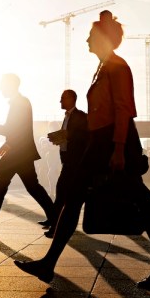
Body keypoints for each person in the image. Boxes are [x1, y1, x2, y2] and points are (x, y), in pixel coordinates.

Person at [15, 10, 150, 288]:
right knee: (76, 197)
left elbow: (123, 110)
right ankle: (49, 264)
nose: (87, 40)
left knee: (139, 201)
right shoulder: (103, 67)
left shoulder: (117, 66)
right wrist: (72, 134)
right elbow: (97, 116)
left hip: (114, 142)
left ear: (102, 37)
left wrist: (117, 149)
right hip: (101, 142)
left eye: (91, 35)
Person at [0, 74, 55, 238]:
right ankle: (55, 219)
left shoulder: (19, 103)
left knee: (0, 189)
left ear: (11, 85)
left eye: (2, 85)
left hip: (17, 154)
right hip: (21, 153)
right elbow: (16, 129)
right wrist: (8, 142)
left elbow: (13, 129)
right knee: (32, 187)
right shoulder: (21, 102)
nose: (0, 88)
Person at [45, 89, 88, 237]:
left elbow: (83, 136)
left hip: (74, 164)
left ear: (71, 99)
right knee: (67, 197)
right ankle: (56, 227)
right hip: (68, 161)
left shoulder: (80, 116)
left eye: (62, 98)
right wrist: (60, 138)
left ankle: (54, 228)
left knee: (62, 193)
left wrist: (66, 136)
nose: (60, 101)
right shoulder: (67, 117)